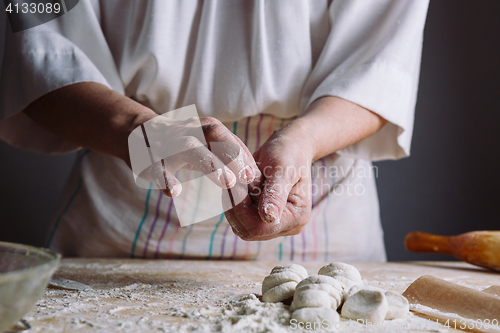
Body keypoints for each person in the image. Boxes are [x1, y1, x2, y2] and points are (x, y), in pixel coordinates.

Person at [0, 0, 429, 261]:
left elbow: (380, 67)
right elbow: (43, 51)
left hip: (315, 208)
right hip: (122, 214)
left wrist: (302, 141)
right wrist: (141, 130)